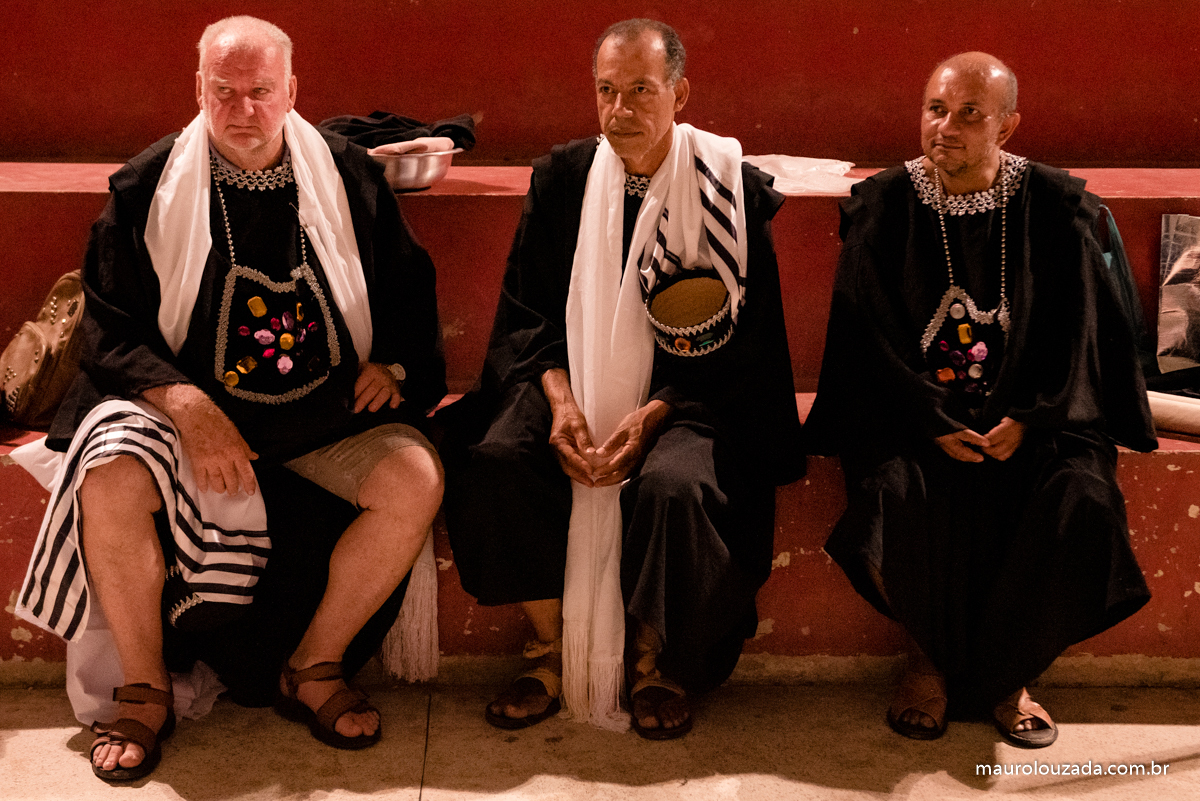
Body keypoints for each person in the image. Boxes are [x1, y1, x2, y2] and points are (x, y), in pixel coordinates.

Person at [15, 15, 446, 781]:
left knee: (413, 477)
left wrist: (401, 368)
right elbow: (109, 331)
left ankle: (313, 665)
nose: (244, 111)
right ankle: (145, 689)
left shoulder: (348, 175)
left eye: (261, 92)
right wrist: (184, 403)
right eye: (225, 93)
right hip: (180, 412)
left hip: (320, 417)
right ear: (198, 90)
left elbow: (410, 295)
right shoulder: (147, 185)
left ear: (292, 92)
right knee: (109, 476)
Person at [440, 18, 803, 740]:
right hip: (568, 375)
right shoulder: (563, 179)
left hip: (696, 392)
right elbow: (525, 310)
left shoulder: (730, 189)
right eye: (606, 91)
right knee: (496, 459)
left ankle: (655, 657)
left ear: (680, 92)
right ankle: (549, 646)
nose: (620, 110)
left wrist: (654, 413)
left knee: (679, 485)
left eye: (641, 90)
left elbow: (749, 344)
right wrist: (561, 401)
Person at [805, 52, 1155, 748]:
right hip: (914, 419)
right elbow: (865, 338)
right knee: (895, 491)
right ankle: (927, 658)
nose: (947, 127)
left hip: (1038, 417)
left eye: (971, 114)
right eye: (937, 109)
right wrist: (929, 422)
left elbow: (1081, 331)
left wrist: (1029, 416)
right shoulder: (884, 208)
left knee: (1082, 497)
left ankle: (1011, 671)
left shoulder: (1057, 209)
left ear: (1009, 124)